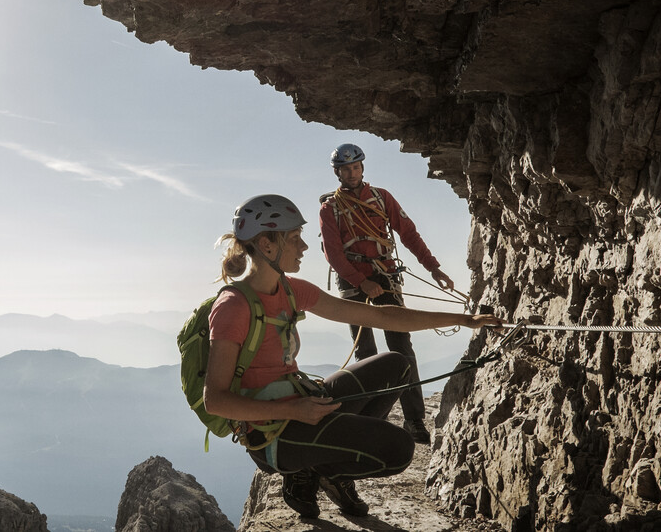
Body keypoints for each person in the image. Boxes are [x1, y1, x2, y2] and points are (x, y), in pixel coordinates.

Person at [205, 194, 500, 519]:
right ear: (267, 245)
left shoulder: (291, 289)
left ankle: (326, 469)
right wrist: (292, 410)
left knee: (398, 366)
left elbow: (385, 317)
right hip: (273, 435)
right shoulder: (233, 307)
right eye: (294, 239)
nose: (304, 247)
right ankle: (318, 470)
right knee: (398, 449)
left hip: (301, 405)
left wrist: (462, 319)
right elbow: (216, 401)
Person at [319, 143, 453, 444]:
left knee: (401, 347)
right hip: (353, 284)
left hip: (385, 277)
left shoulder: (381, 198)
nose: (351, 173)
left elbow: (408, 234)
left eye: (355, 167)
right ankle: (371, 420)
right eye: (345, 169)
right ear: (338, 172)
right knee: (367, 353)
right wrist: (360, 281)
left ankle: (414, 420)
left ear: (362, 168)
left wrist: (434, 268)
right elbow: (333, 254)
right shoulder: (330, 208)